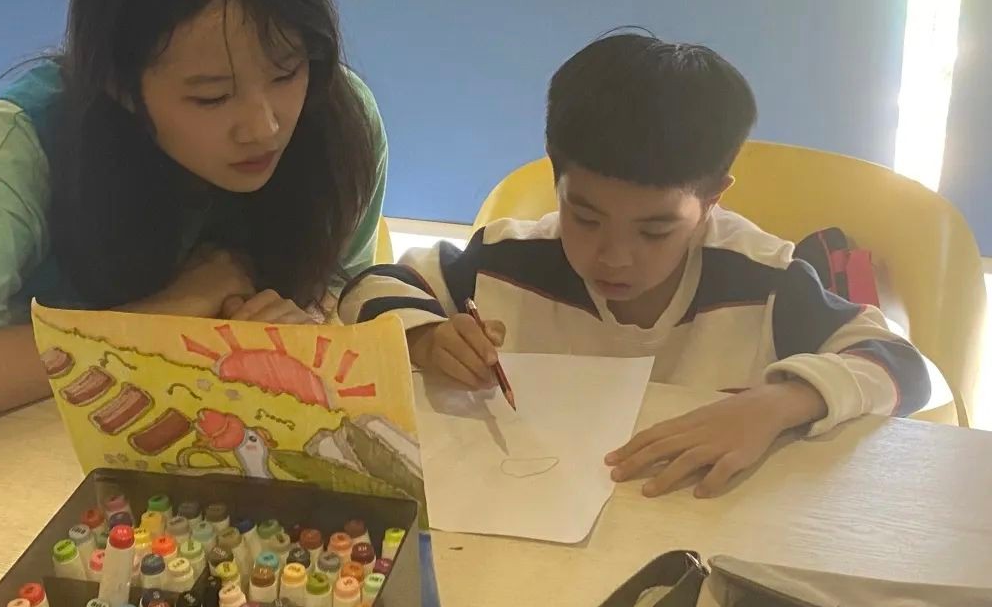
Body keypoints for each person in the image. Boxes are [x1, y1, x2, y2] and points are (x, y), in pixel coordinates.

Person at [339, 33, 930, 498]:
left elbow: (901, 364)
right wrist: (425, 337)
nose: (613, 256)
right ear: (557, 179)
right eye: (585, 216)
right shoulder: (507, 260)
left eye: (655, 230)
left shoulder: (765, 281)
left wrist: (777, 403)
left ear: (712, 199)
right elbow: (371, 286)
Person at [0, 0, 387, 441]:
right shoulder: (35, 135)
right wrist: (170, 311)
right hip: (42, 454)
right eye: (212, 97)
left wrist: (309, 337)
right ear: (119, 87)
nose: (264, 126)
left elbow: (344, 304)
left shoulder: (339, 123)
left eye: (286, 72)